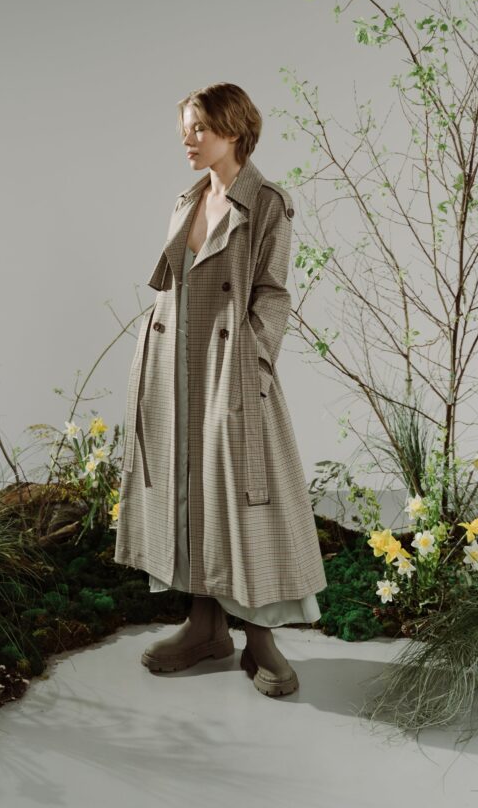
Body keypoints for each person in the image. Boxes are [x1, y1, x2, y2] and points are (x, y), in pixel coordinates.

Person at [114, 82, 328, 698]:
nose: (188, 139)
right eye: (184, 128)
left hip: (230, 367)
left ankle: (260, 636)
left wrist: (252, 360)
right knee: (187, 487)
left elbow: (274, 294)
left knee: (248, 496)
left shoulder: (266, 203)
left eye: (199, 129)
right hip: (172, 362)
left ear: (233, 129)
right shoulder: (186, 199)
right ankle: (205, 626)